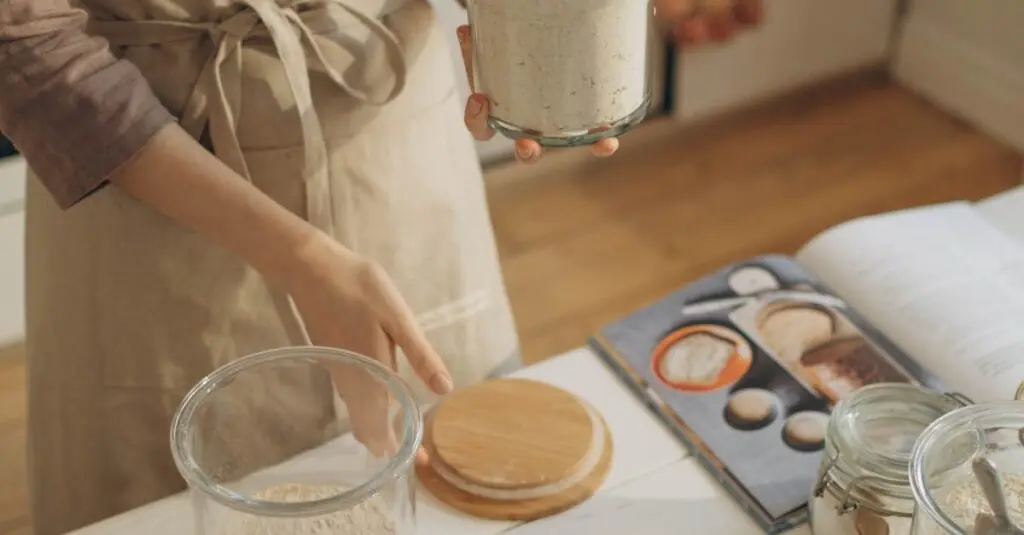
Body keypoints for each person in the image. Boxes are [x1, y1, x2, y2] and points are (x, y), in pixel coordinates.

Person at [0, 0, 761, 532]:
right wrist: (300, 258)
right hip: (147, 176)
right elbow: (22, 46)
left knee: (461, 486)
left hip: (388, 120)